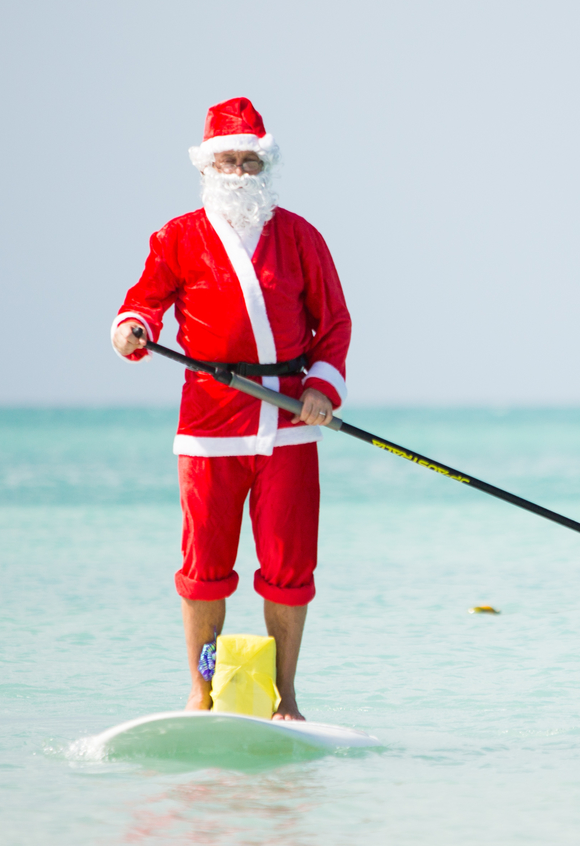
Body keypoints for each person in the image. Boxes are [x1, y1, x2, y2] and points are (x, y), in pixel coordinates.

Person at [110, 97, 351, 721]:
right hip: (210, 425)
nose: (240, 172)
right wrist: (131, 328)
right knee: (204, 567)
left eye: (250, 161)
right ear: (207, 169)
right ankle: (201, 693)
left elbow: (334, 324)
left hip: (289, 421)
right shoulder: (177, 237)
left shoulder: (300, 236)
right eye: (228, 162)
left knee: (290, 566)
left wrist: (321, 387)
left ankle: (286, 698)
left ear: (264, 167)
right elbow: (144, 301)